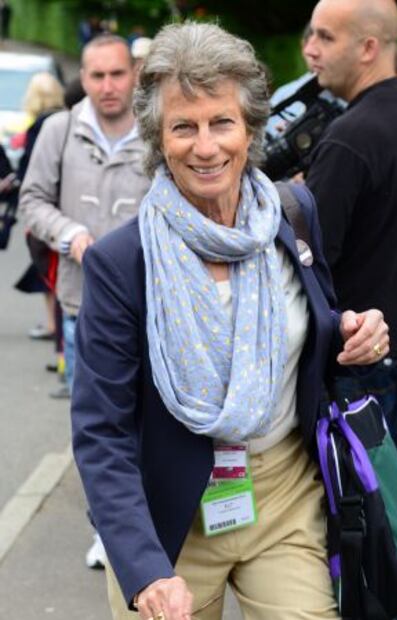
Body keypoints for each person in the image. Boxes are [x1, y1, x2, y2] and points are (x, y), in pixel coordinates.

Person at [70, 22, 389, 620]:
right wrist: (144, 571)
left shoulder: (292, 216)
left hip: (284, 494)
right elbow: (101, 432)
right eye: (183, 127)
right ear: (158, 139)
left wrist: (350, 330)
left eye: (222, 122)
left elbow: (303, 321)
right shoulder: (123, 262)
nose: (206, 146)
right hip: (170, 518)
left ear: (249, 130)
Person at [19, 33, 151, 566]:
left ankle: (155, 524)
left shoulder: (157, 132)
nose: (107, 86)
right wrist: (70, 234)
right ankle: (109, 529)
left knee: (150, 424)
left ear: (133, 75)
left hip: (151, 306)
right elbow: (32, 201)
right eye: (96, 76)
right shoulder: (59, 130)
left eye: (117, 74)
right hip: (81, 307)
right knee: (101, 429)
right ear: (85, 80)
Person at [304, 0, 397, 466]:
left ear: (368, 47)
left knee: (354, 516)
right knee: (389, 504)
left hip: (357, 358)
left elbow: (308, 258)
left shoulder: (349, 138)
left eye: (326, 37)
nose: (310, 49)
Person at [15, 72, 65, 342]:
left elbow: (32, 171)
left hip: (48, 209)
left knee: (49, 270)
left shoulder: (40, 127)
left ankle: (53, 326)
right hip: (67, 205)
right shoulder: (67, 120)